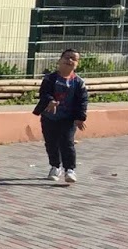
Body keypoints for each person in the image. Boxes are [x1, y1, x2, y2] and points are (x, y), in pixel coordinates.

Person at [34, 48, 89, 184]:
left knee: (67, 143)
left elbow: (82, 101)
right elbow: (44, 93)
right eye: (67, 57)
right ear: (59, 60)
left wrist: (80, 117)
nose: (69, 60)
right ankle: (55, 167)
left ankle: (69, 169)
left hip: (68, 119)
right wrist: (50, 101)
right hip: (49, 117)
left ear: (77, 64)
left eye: (73, 59)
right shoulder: (50, 79)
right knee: (51, 143)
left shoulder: (78, 82)